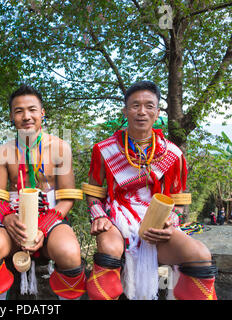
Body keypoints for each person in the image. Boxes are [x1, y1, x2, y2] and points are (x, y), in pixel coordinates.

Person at [84, 80, 217, 300]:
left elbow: (178, 198)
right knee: (108, 250)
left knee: (200, 256)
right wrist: (98, 215)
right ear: (125, 111)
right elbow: (94, 190)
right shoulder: (105, 149)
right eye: (135, 106)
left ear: (157, 112)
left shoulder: (172, 153)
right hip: (117, 217)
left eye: (149, 106)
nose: (142, 112)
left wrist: (171, 221)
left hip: (156, 221)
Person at [0, 84, 86, 300]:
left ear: (42, 113)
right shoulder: (4, 152)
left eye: (32, 109)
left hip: (51, 214)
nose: (26, 116)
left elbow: (68, 197)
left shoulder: (60, 148)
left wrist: (43, 227)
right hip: (13, 215)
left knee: (70, 253)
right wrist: (7, 217)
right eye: (19, 111)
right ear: (11, 116)